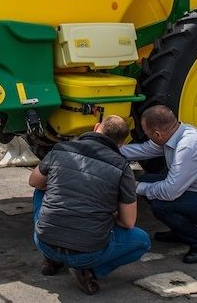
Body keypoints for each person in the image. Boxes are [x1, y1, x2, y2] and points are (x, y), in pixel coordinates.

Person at [29, 115, 151, 295]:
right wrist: (106, 213)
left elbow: (34, 181)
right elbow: (128, 222)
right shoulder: (122, 167)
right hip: (87, 253)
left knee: (41, 189)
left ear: (95, 128)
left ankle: (51, 259)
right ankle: (89, 272)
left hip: (45, 242)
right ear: (121, 145)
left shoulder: (61, 149)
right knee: (142, 241)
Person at [120, 105, 197, 264]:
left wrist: (134, 186)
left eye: (147, 134)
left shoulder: (188, 145)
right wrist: (107, 150)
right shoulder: (175, 133)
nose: (147, 137)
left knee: (161, 205)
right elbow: (144, 149)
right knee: (149, 182)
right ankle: (180, 231)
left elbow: (170, 192)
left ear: (157, 134)